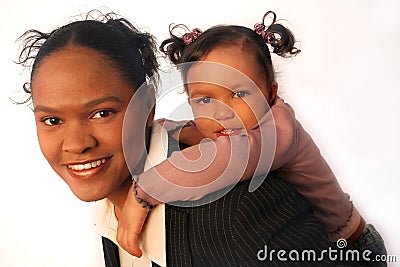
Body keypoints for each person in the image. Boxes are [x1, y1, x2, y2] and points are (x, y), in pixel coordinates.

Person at [17, 10, 375, 267]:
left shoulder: (244, 205)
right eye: (51, 119)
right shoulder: (107, 196)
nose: (76, 144)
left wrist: (143, 196)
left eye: (102, 113)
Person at [117, 11, 387, 266]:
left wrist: (145, 191)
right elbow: (201, 131)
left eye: (240, 94)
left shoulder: (279, 131)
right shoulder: (237, 125)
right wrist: (169, 128)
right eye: (205, 99)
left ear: (271, 92)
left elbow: (222, 159)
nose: (222, 113)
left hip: (351, 250)